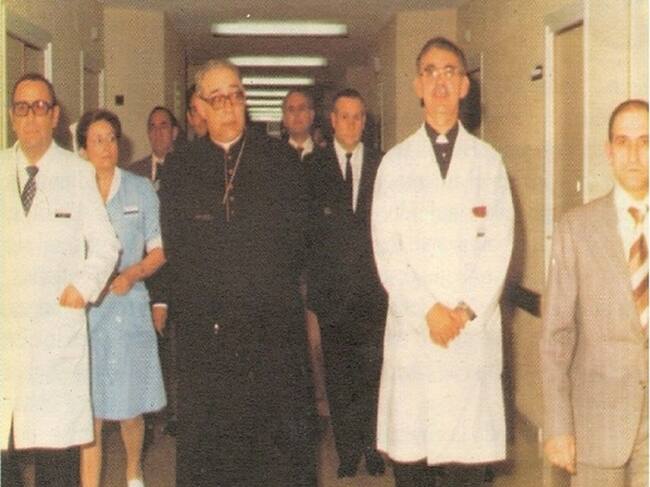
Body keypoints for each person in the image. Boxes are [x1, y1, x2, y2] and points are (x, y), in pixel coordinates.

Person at [159, 59, 316, 487]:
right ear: (199, 107)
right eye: (218, 98)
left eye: (236, 95)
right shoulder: (180, 167)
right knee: (214, 452)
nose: (229, 105)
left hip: (271, 329)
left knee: (276, 452)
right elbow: (178, 248)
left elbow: (298, 241)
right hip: (207, 335)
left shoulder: (280, 160)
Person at [371, 37, 514, 486]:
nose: (440, 82)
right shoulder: (394, 165)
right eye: (430, 72)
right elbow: (387, 251)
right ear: (417, 84)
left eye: (450, 71)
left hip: (469, 334)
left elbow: (499, 247)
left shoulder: (489, 163)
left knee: (466, 468)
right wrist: (429, 311)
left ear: (464, 85)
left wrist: (464, 311)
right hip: (417, 332)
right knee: (413, 463)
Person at [0, 73, 119, 486]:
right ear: (11, 117)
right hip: (6, 335)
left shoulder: (78, 173)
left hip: (55, 335)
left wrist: (81, 289)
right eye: (22, 108)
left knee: (57, 457)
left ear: (54, 116)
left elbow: (106, 246)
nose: (31, 117)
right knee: (4, 455)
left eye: (40, 107)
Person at [541, 99, 649, 487]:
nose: (634, 154)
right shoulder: (576, 229)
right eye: (623, 141)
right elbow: (556, 336)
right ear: (609, 151)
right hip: (598, 422)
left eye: (645, 141)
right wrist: (558, 426)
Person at [76, 109, 167, 487]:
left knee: (131, 409)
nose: (106, 147)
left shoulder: (140, 189)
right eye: (97, 140)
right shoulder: (74, 192)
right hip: (87, 314)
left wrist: (132, 274)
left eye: (111, 138)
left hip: (129, 311)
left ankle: (133, 472)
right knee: (90, 413)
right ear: (83, 149)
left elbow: (158, 252)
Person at [307, 88, 387, 478]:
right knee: (339, 377)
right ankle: (347, 451)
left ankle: (373, 448)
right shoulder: (313, 167)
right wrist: (312, 294)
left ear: (364, 122)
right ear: (332, 121)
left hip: (375, 293)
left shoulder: (384, 165)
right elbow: (307, 234)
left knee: (373, 374)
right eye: (344, 116)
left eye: (358, 117)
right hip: (332, 294)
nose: (351, 123)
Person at [128, 105, 179, 437]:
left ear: (174, 132)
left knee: (175, 345)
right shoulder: (134, 173)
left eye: (164, 126)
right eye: (152, 126)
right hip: (143, 269)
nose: (158, 132)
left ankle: (176, 412)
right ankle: (146, 412)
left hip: (177, 267)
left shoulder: (187, 168)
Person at [282, 89, 318, 162]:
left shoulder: (328, 158)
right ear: (284, 118)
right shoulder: (272, 158)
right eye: (291, 110)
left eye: (301, 109)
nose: (296, 114)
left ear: (311, 115)